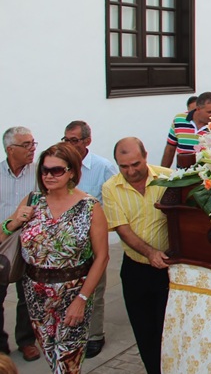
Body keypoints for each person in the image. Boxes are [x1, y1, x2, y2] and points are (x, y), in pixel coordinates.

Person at [1, 143, 109, 373]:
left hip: (73, 294)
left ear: (72, 172)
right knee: (52, 357)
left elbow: (102, 257)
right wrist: (15, 222)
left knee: (67, 364)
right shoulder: (33, 201)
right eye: (44, 170)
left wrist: (82, 299)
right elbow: (2, 235)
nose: (49, 175)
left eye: (56, 170)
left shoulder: (89, 207)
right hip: (36, 296)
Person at [102, 138, 171, 374]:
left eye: (135, 164)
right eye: (124, 167)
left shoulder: (167, 178)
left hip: (169, 270)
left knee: (168, 329)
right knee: (145, 331)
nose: (131, 171)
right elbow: (123, 229)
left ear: (145, 156)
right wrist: (151, 253)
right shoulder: (110, 188)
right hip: (136, 269)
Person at [62, 121, 118, 358]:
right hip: (66, 241)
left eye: (74, 140)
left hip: (92, 237)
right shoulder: (61, 166)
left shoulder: (102, 167)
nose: (69, 144)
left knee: (95, 287)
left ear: (87, 141)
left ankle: (94, 334)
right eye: (66, 139)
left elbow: (114, 198)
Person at [0, 127, 39, 362]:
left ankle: (26, 341)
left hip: (30, 243)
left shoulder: (39, 173)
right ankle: (0, 347)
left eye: (33, 143)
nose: (32, 149)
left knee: (28, 296)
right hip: (2, 242)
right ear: (10, 149)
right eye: (26, 145)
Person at [161, 91, 211, 168]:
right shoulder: (179, 119)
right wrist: (163, 171)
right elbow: (170, 148)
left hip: (207, 173)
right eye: (209, 112)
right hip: (182, 173)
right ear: (198, 109)